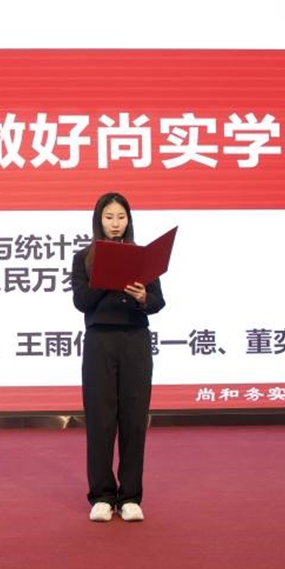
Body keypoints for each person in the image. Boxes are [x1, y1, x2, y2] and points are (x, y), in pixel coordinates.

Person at [71, 192, 165, 523]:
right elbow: (81, 302)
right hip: (100, 342)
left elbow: (158, 302)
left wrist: (142, 297)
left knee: (134, 420)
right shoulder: (84, 258)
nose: (115, 223)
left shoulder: (142, 257)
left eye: (121, 217)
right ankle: (101, 496)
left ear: (129, 220)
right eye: (109, 217)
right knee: (100, 420)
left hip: (135, 341)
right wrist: (107, 275)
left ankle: (130, 497)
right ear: (99, 220)